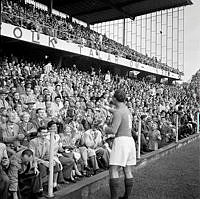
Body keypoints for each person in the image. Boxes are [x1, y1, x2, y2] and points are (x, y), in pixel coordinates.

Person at [102, 89, 136, 199]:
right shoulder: (126, 109)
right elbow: (118, 112)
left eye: (112, 97)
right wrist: (107, 108)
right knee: (127, 169)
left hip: (121, 141)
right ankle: (126, 197)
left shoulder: (118, 111)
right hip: (130, 141)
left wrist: (103, 127)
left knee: (113, 169)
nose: (111, 99)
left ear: (115, 99)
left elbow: (113, 130)